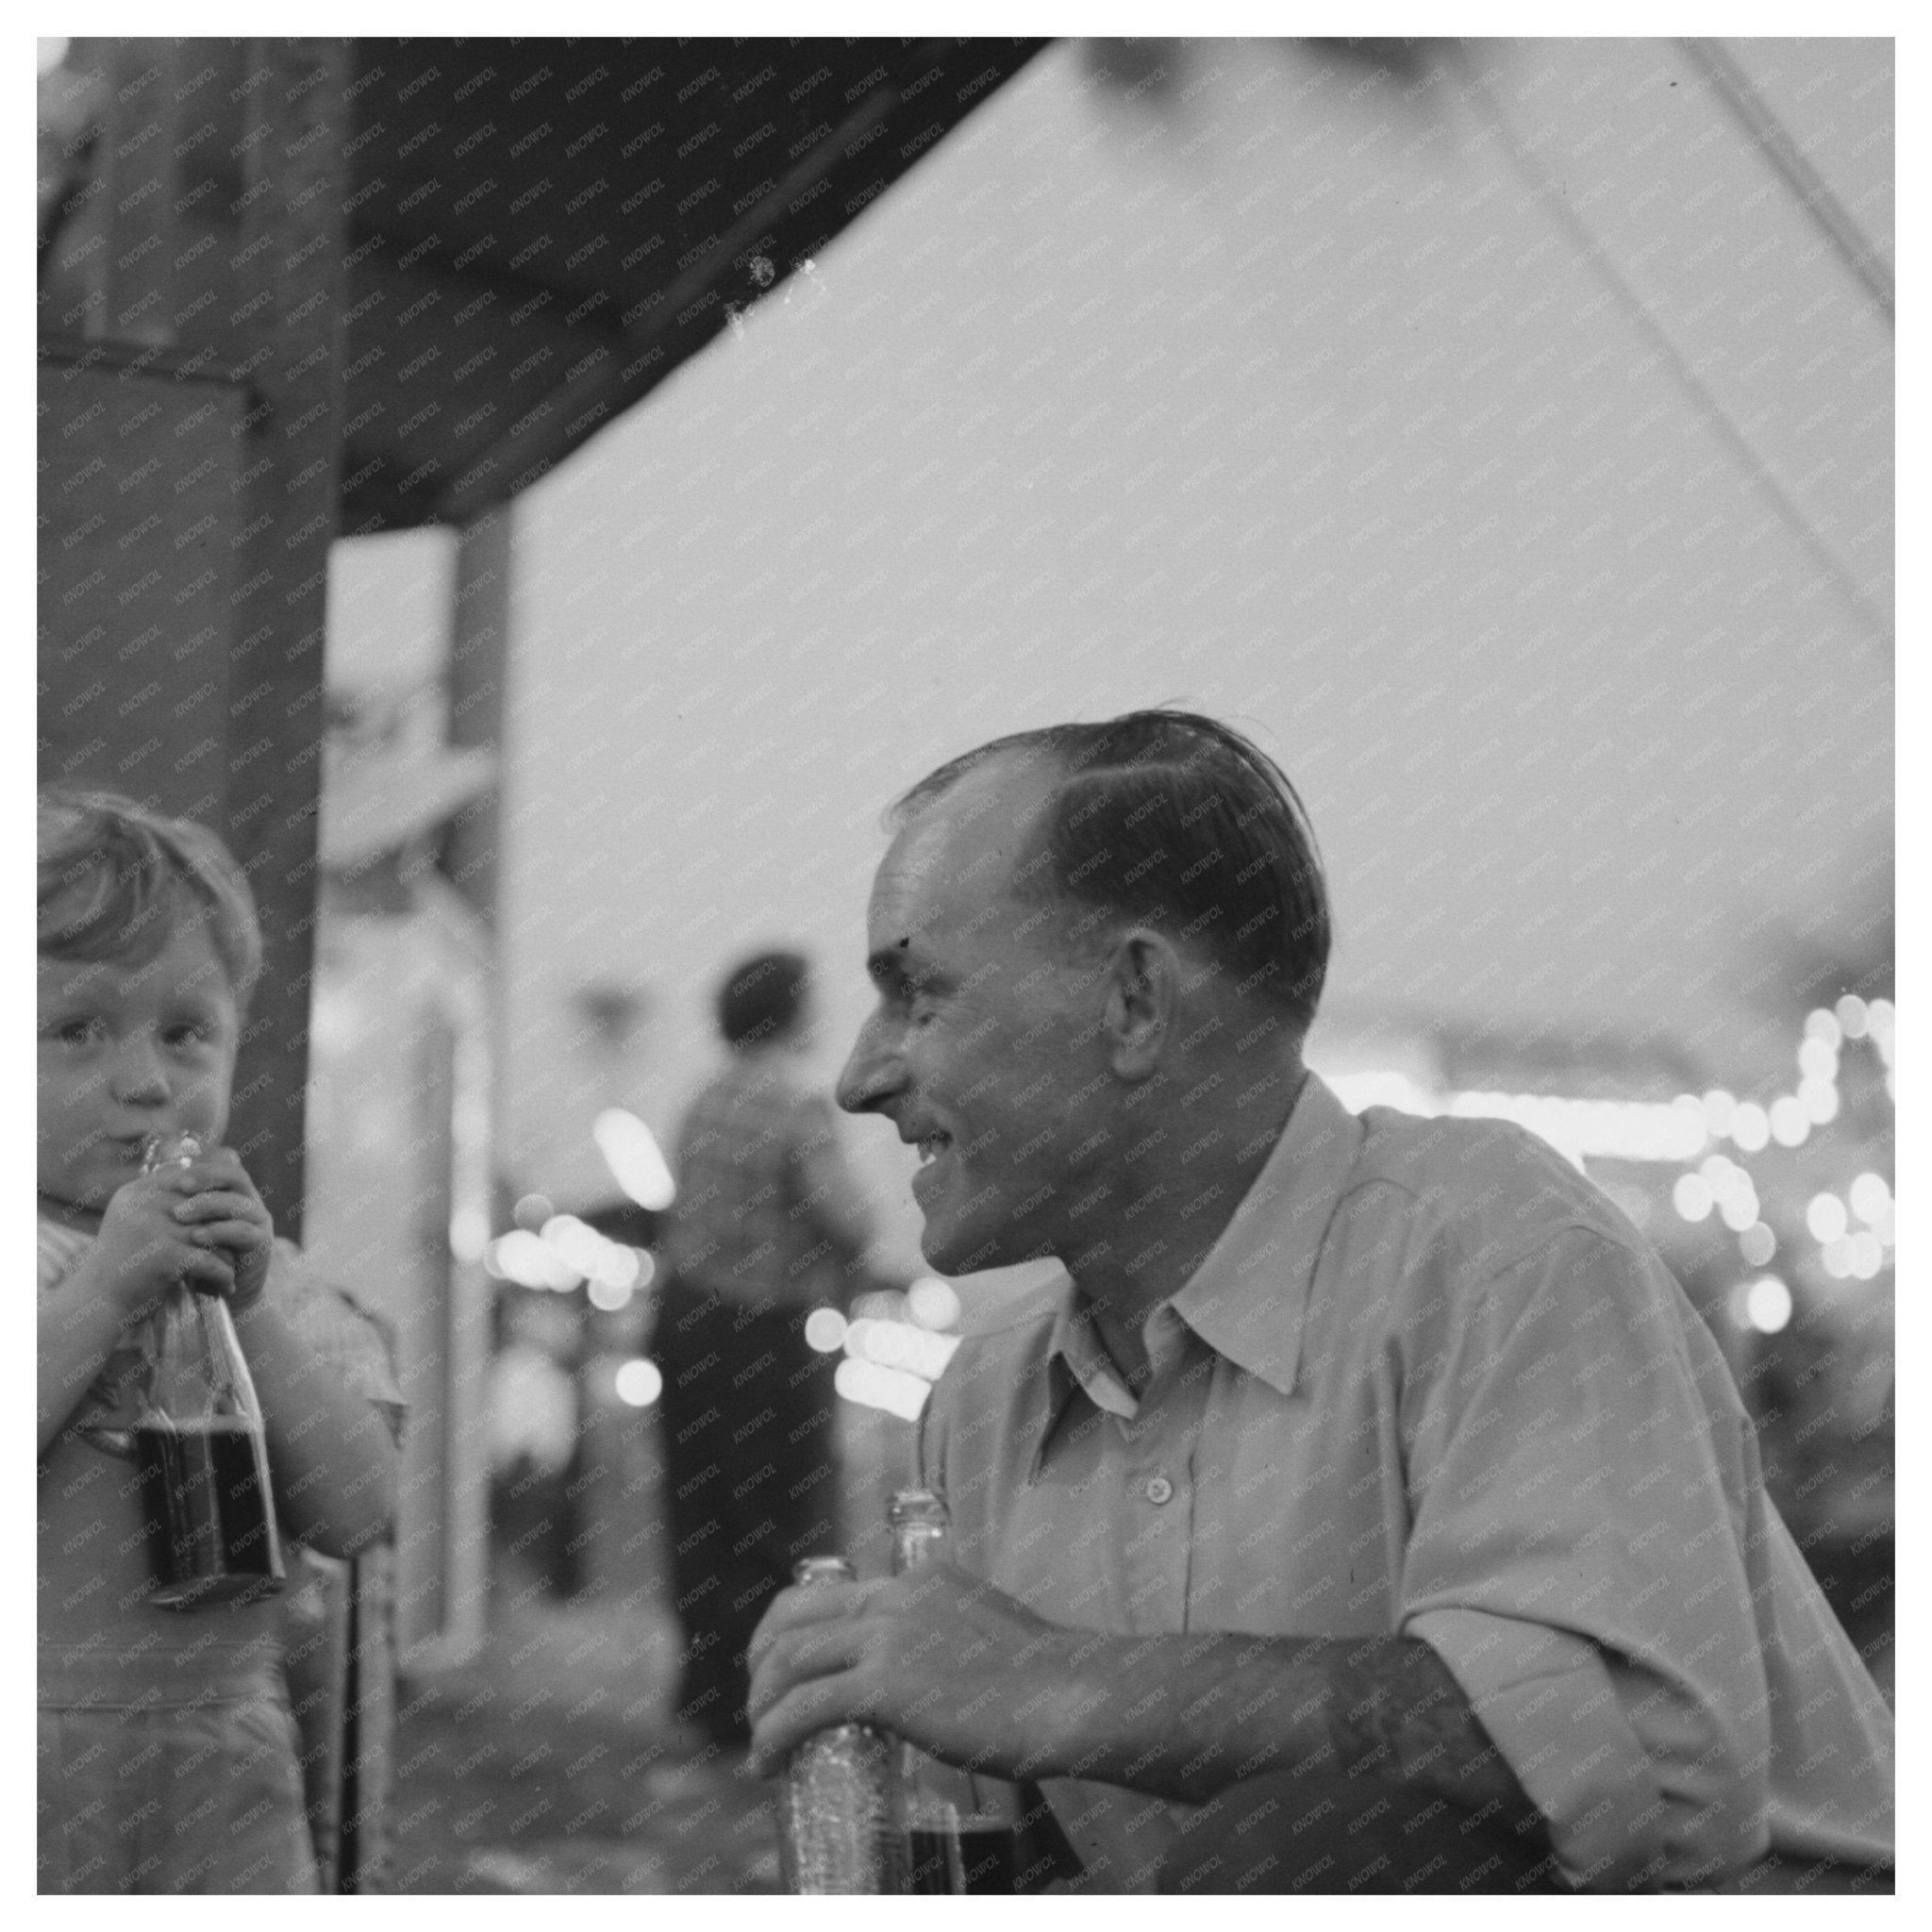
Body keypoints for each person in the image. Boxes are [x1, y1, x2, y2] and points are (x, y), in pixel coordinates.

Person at [745, 710, 1894, 1893]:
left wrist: (1046, 1685)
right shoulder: (982, 1404)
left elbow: (1643, 1770)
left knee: (1312, 1845)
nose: (859, 1076)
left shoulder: (1492, 1250)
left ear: (1135, 999)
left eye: (918, 994)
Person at [38, 791, 403, 1893]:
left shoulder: (277, 1284)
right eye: (77, 1028)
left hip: (223, 1761)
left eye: (186, 1031)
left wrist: (246, 1308)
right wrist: (104, 1289)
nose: (148, 1080)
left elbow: (359, 1507)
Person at [656, 950, 885, 1750]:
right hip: (762, 1333)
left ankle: (707, 1691)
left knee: (702, 1511)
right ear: (789, 1012)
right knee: (781, 1519)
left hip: (686, 1323)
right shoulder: (795, 1108)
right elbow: (849, 1221)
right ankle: (771, 1699)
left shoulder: (704, 1100)